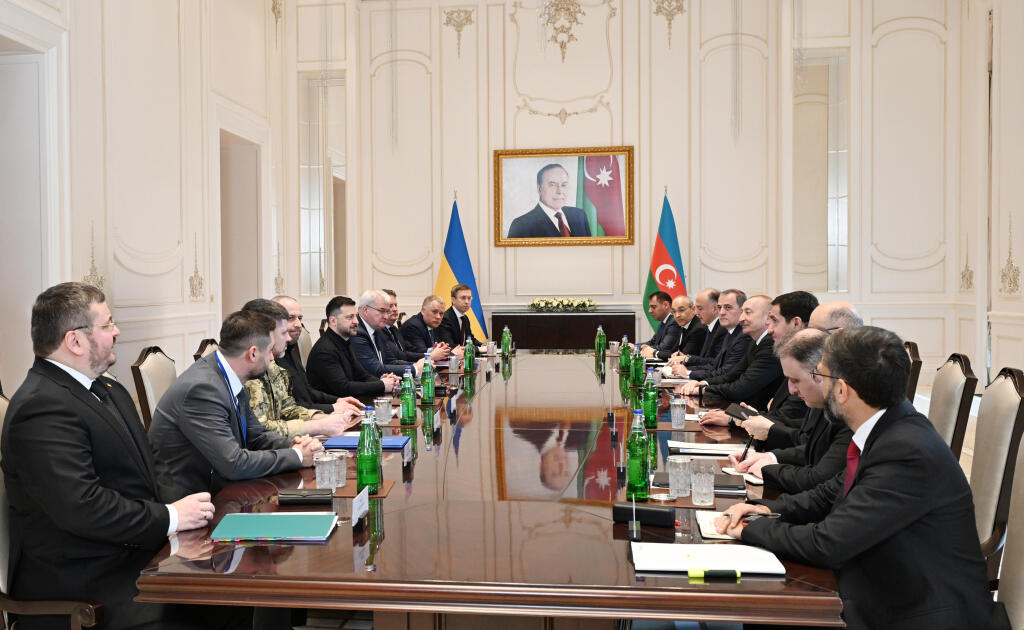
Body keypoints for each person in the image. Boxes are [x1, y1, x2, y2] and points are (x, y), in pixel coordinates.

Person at [715, 326, 998, 629]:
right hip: (882, 583)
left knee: (763, 606)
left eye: (820, 375)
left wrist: (749, 529)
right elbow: (831, 493)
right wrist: (764, 509)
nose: (814, 384)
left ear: (842, 390)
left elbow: (827, 543)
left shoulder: (905, 451)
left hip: (912, 611)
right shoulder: (890, 427)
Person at [1, 282, 239, 629]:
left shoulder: (107, 387)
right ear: (75, 341)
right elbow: (84, 508)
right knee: (225, 602)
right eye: (107, 324)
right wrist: (171, 518)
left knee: (238, 589)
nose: (116, 332)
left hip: (133, 553)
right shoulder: (41, 407)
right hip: (84, 581)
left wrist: (190, 516)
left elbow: (148, 468)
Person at [149, 310, 323, 499]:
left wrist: (295, 444)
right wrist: (297, 456)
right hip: (196, 500)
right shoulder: (202, 389)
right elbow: (234, 463)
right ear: (253, 353)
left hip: (224, 487)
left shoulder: (229, 374)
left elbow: (256, 436)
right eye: (269, 351)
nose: (272, 358)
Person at [727, 328, 852, 494]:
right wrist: (770, 457)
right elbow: (813, 449)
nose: (791, 390)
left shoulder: (848, 412)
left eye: (795, 380)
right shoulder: (822, 401)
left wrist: (767, 469)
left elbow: (819, 478)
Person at [699, 290, 818, 431]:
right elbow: (734, 375)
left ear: (796, 323)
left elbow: (787, 418)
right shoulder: (774, 347)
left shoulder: (809, 360)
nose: (769, 329)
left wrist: (736, 419)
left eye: (774, 320)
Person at [241, 298, 360, 438]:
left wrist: (324, 418)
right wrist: (319, 425)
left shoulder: (273, 364)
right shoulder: (250, 371)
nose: (288, 337)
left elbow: (288, 409)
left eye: (299, 318)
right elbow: (260, 430)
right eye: (283, 332)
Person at [681, 295, 783, 410]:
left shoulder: (770, 345)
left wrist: (703, 389)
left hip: (759, 413)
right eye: (742, 312)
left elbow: (741, 388)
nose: (741, 319)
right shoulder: (755, 342)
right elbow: (732, 375)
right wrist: (704, 383)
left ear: (768, 318)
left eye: (748, 312)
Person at [271, 294, 364, 414]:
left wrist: (337, 400)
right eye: (290, 318)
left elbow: (307, 392)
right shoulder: (272, 358)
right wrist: (332, 408)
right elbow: (290, 408)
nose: (299, 324)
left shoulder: (289, 350)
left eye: (300, 318)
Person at [306, 296, 400, 399]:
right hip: (333, 405)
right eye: (350, 317)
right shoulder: (325, 351)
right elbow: (343, 388)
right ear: (333, 321)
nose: (356, 321)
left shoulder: (345, 341)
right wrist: (382, 385)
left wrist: (384, 381)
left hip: (350, 402)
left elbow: (362, 376)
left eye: (356, 316)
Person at [672, 289, 750, 380]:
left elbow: (727, 373)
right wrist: (684, 371)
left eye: (728, 307)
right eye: (720, 307)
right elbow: (714, 365)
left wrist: (688, 373)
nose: (721, 312)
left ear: (742, 310)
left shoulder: (743, 336)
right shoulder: (730, 333)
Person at [350, 289, 424, 378]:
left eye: (387, 311)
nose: (386, 316)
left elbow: (391, 361)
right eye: (382, 311)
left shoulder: (377, 329)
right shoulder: (356, 332)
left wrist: (419, 365)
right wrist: (415, 369)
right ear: (366, 310)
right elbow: (374, 369)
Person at [507, 163, 592, 238]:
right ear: (539, 188)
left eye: (564, 185)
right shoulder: (521, 225)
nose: (559, 191)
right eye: (552, 185)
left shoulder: (579, 215)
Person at [668, 289, 723, 367]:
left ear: (715, 308)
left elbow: (716, 363)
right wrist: (684, 358)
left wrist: (687, 360)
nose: (696, 312)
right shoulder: (710, 328)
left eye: (700, 309)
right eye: (674, 311)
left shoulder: (721, 330)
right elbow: (705, 360)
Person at [400, 294, 453, 360]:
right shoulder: (413, 326)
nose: (438, 317)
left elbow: (440, 347)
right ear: (423, 311)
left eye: (441, 313)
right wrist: (452, 353)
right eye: (434, 312)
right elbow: (420, 353)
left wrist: (446, 350)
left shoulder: (433, 324)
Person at [438, 283, 486, 351]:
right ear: (453, 300)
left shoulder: (465, 318)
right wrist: (479, 349)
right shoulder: (445, 318)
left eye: (469, 298)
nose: (467, 302)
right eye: (463, 298)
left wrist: (483, 345)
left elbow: (470, 339)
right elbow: (450, 346)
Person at [379, 289, 423, 362]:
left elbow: (409, 349)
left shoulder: (394, 329)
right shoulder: (379, 330)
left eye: (396, 305)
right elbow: (399, 355)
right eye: (390, 306)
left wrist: (431, 351)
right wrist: (429, 356)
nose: (395, 309)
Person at [658, 294, 706, 360]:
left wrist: (655, 353)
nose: (677, 315)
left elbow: (683, 356)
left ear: (693, 309)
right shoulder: (683, 326)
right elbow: (674, 351)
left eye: (681, 310)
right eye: (674, 312)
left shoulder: (698, 329)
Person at [636, 291, 680, 359]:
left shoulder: (674, 322)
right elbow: (652, 342)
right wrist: (635, 346)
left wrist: (637, 349)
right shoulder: (664, 322)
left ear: (666, 305)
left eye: (653, 307)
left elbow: (663, 348)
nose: (650, 311)